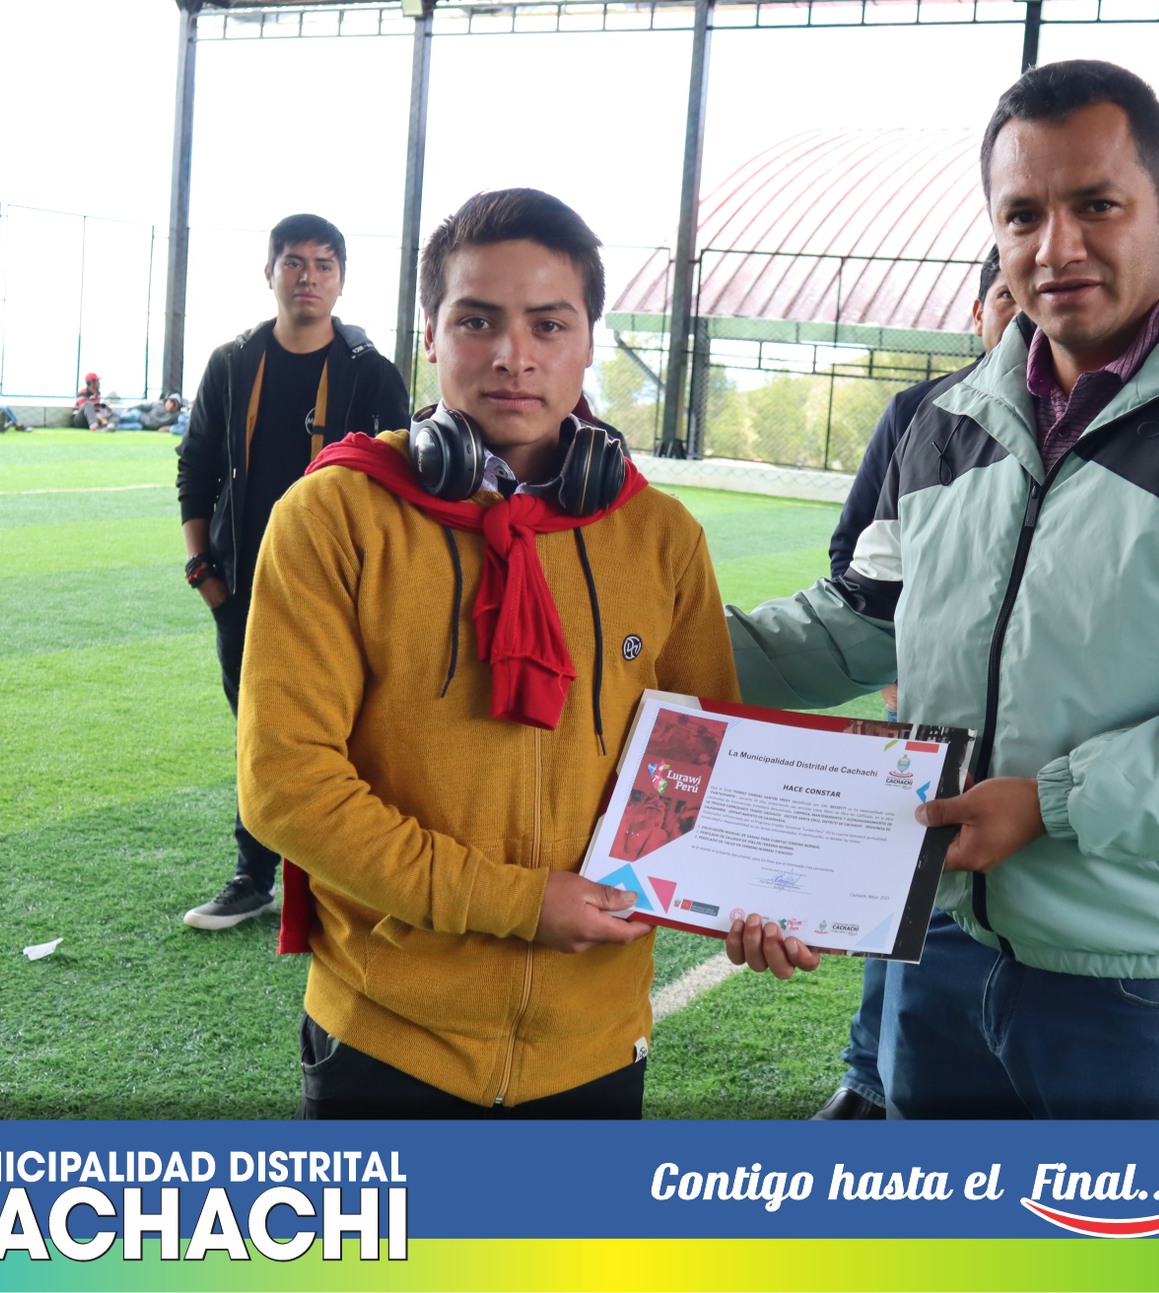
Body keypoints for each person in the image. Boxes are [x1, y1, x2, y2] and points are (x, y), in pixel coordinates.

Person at [721, 60, 1159, 1120]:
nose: (1055, 248)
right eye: (1023, 215)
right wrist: (629, 642)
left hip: (1151, 973)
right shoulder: (946, 419)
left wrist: (1051, 806)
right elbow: (858, 622)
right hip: (944, 937)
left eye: (1095, 205)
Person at [235, 188, 740, 1118]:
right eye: (477, 321)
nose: (514, 354)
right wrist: (517, 901)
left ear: (588, 342)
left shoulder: (662, 537)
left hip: (596, 1047)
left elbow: (699, 764)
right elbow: (287, 787)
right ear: (430, 335)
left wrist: (751, 897)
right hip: (387, 1038)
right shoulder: (332, 516)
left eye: (549, 323)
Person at [812, 246, 1017, 1123]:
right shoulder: (919, 414)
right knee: (900, 892)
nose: (1023, 313)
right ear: (977, 314)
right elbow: (858, 566)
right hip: (924, 717)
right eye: (1004, 297)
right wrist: (902, 669)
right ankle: (868, 1071)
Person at [176, 213, 412, 931]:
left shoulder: (370, 372)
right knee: (260, 734)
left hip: (344, 592)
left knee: (353, 733)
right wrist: (204, 572)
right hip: (243, 589)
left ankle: (349, 878)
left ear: (341, 279)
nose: (308, 276)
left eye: (323, 264)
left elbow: (401, 485)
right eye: (294, 262)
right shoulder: (233, 363)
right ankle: (253, 878)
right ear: (270, 272)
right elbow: (197, 466)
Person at [116, 394, 185, 431]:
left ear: (177, 407)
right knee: (128, 417)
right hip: (139, 415)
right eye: (170, 402)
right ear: (167, 400)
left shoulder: (176, 416)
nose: (171, 405)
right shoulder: (158, 404)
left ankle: (111, 426)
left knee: (133, 427)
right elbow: (143, 406)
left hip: (142, 426)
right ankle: (112, 419)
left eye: (174, 404)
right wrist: (128, 408)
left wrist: (167, 428)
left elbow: (179, 426)